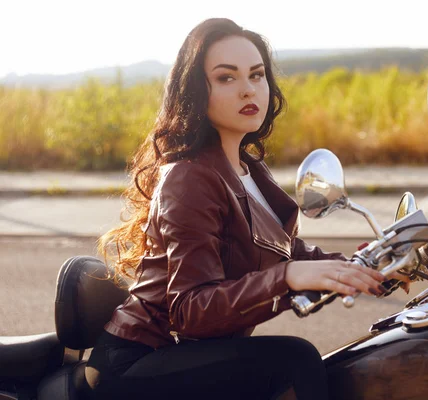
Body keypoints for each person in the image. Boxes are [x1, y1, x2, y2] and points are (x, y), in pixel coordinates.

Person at [85, 17, 396, 400]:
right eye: (227, 78)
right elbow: (190, 310)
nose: (249, 90)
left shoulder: (249, 170)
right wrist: (289, 277)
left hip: (190, 353)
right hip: (141, 357)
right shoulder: (189, 177)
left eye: (257, 75)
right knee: (294, 359)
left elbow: (287, 252)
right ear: (197, 91)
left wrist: (365, 268)